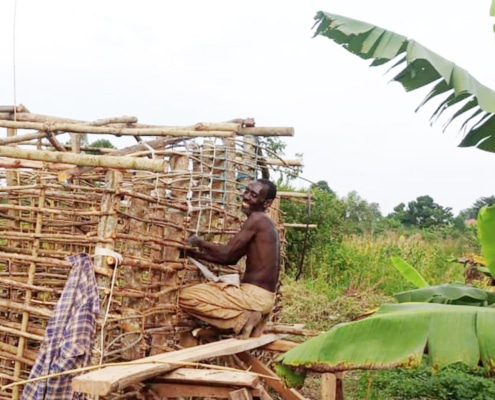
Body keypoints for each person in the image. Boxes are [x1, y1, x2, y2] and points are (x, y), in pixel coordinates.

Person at [179, 179, 280, 339]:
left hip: (253, 297)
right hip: (264, 298)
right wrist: (194, 254)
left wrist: (198, 242)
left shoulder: (257, 219)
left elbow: (225, 253)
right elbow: (230, 259)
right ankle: (251, 317)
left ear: (267, 203)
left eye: (253, 195)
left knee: (185, 296)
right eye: (246, 191)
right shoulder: (265, 224)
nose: (246, 197)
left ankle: (243, 318)